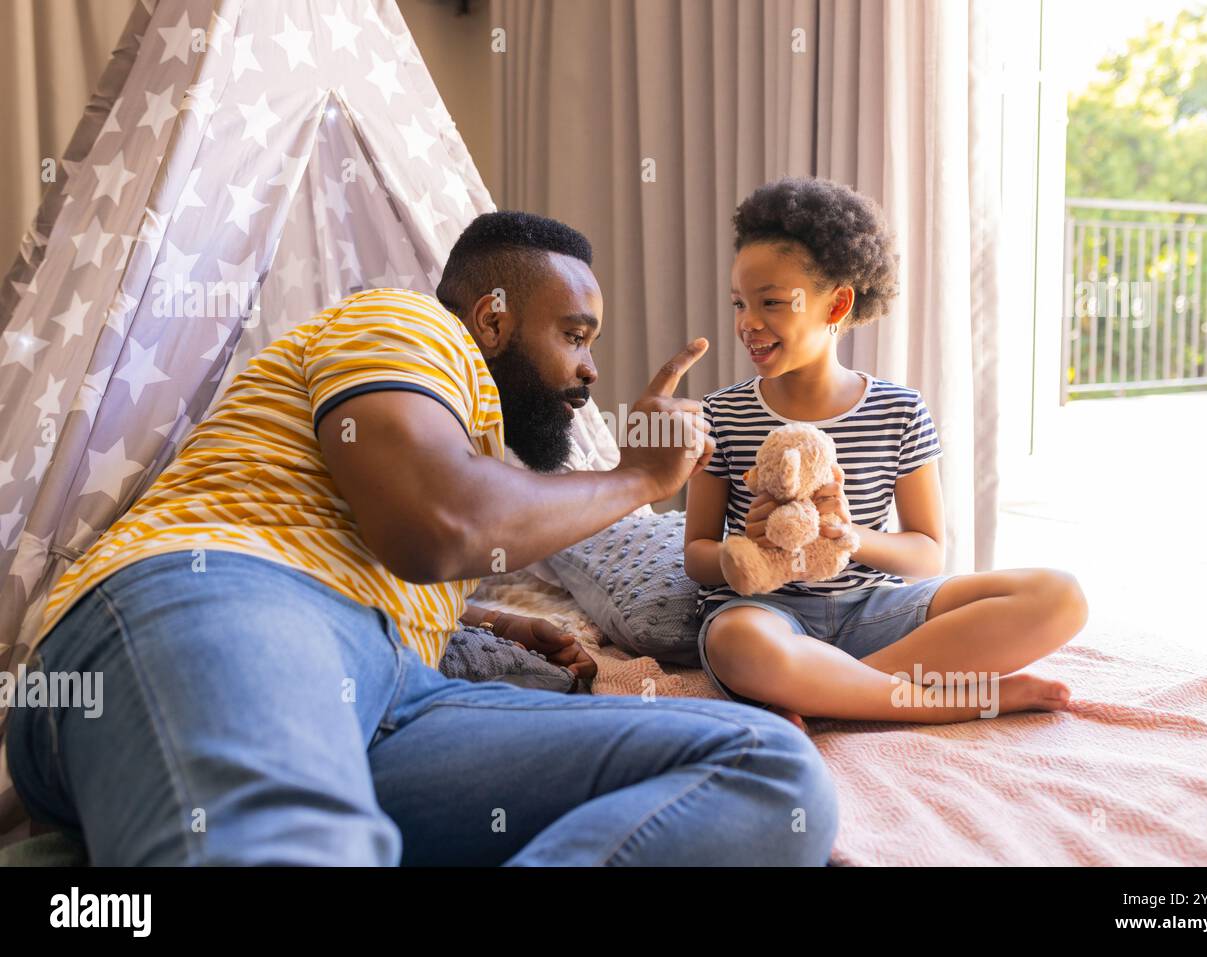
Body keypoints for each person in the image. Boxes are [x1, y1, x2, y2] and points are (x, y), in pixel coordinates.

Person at [5, 211, 838, 866]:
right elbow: (441, 523)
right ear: (492, 317)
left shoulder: (462, 440)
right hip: (217, 592)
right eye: (576, 335)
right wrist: (638, 481)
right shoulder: (405, 321)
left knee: (766, 770)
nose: (591, 370)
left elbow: (409, 541)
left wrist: (480, 620)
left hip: (385, 695)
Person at [684, 177, 1090, 731]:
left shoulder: (900, 410)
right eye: (740, 303)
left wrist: (850, 538)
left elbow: (926, 554)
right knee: (741, 646)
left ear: (838, 304)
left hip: (874, 612)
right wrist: (745, 544)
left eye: (771, 302)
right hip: (765, 614)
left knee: (1060, 595)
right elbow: (696, 555)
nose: (747, 321)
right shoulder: (722, 412)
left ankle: (831, 688)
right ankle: (951, 699)